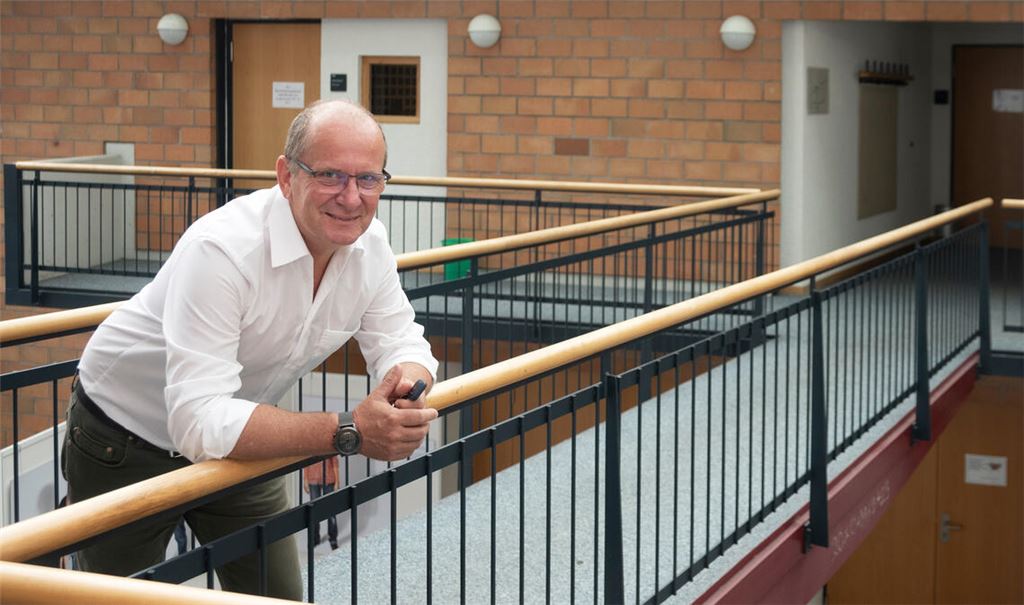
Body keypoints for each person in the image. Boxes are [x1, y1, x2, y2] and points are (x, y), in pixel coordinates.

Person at [61, 99, 438, 600]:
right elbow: (196, 421)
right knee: (114, 599)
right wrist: (346, 431)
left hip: (235, 431)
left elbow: (400, 338)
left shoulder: (370, 247)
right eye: (330, 175)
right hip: (122, 437)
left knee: (276, 595)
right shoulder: (222, 250)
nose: (352, 198)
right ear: (286, 176)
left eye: (368, 179)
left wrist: (405, 390)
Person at [302, 455, 340, 550]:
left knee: (331, 510)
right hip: (313, 478)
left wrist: (337, 480)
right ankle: (315, 538)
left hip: (328, 477)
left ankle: (333, 538)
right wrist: (305, 479)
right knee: (314, 510)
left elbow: (334, 461)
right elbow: (306, 461)